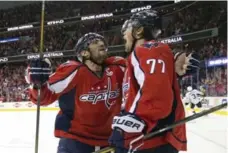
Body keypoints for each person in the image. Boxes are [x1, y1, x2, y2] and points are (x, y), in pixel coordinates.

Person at [25, 33, 126, 153]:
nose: (101, 43)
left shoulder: (118, 67)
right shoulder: (73, 71)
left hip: (111, 141)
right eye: (95, 42)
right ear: (84, 53)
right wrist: (37, 83)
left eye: (102, 42)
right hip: (75, 142)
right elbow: (43, 98)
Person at [108, 10, 187, 153]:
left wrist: (126, 128)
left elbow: (157, 96)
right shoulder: (143, 55)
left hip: (152, 142)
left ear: (138, 31)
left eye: (127, 30)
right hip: (146, 140)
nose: (124, 35)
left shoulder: (148, 49)